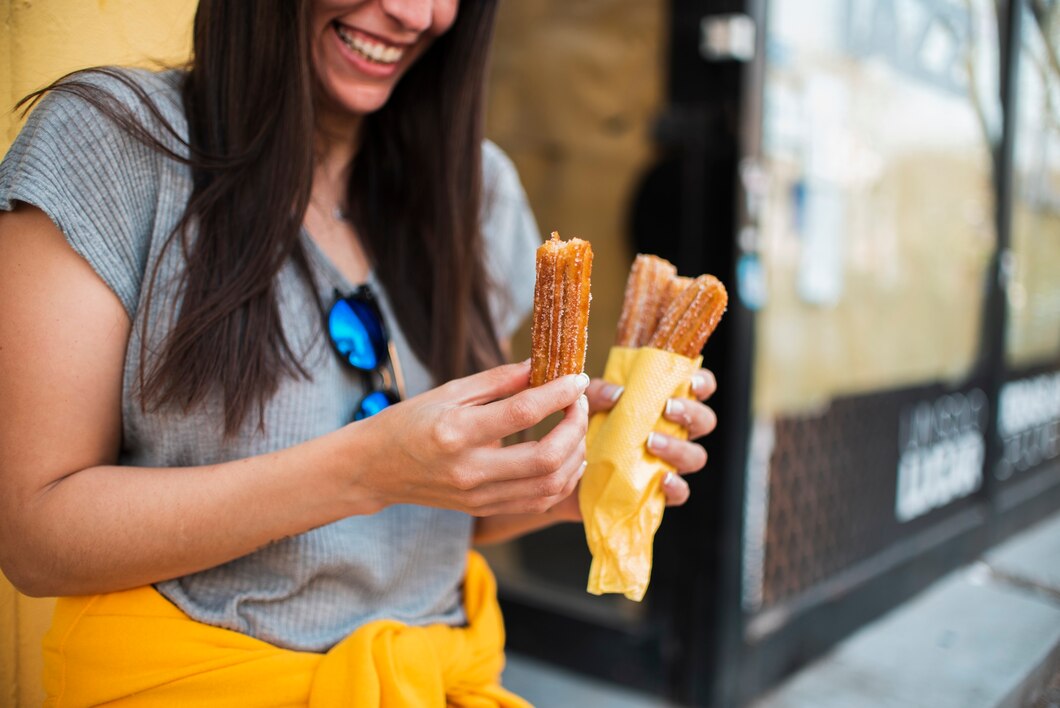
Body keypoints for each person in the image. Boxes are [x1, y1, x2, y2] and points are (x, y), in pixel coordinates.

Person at [0, 0, 718, 704]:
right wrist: (363, 470)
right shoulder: (113, 143)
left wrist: (562, 480)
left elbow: (434, 512)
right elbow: (32, 534)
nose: (415, 13)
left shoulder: (478, 191)